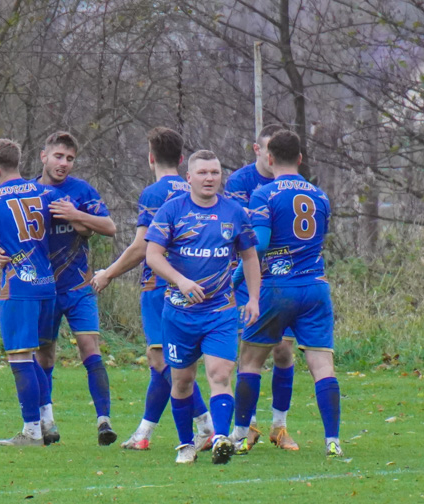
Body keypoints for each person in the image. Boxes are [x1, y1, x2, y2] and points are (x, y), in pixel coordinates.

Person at [91, 127, 214, 451]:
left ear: (150, 157)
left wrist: (108, 274)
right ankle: (149, 433)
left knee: (165, 362)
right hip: (194, 283)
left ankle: (203, 427)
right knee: (167, 362)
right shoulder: (197, 188)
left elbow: (140, 247)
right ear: (182, 159)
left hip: (161, 285)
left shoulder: (154, 193)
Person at [0, 131, 118, 445]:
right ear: (43, 156)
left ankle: (104, 421)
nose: (64, 164)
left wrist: (79, 216)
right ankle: (47, 423)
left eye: (70, 158)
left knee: (90, 347)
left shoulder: (81, 191)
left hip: (78, 286)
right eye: (58, 156)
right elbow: (8, 228)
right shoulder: (29, 193)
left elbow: (110, 227)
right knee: (44, 356)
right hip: (42, 290)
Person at [144, 150, 261, 464]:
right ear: (189, 178)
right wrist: (180, 281)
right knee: (182, 380)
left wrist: (253, 298)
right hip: (179, 313)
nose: (210, 178)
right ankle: (185, 445)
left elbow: (250, 257)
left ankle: (221, 438)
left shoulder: (234, 212)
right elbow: (152, 256)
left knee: (220, 374)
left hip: (220, 312)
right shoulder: (171, 211)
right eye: (203, 173)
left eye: (215, 172)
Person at [235, 130, 342, 458]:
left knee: (250, 360)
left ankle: (240, 434)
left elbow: (262, 245)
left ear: (269, 158)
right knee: (322, 365)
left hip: (277, 288)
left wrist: (236, 276)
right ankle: (332, 441)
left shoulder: (264, 194)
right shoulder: (320, 196)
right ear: (299, 158)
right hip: (315, 287)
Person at [0, 138, 58, 447]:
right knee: (34, 355)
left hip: (18, 287)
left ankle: (31, 431)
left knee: (20, 357)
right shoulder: (46, 193)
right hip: (49, 287)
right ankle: (47, 421)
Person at [225, 123, 299, 451]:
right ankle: (248, 424)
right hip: (251, 275)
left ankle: (279, 427)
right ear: (259, 151)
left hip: (286, 278)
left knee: (284, 350)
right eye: (268, 151)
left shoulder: (295, 185)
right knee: (250, 350)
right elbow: (243, 229)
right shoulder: (241, 182)